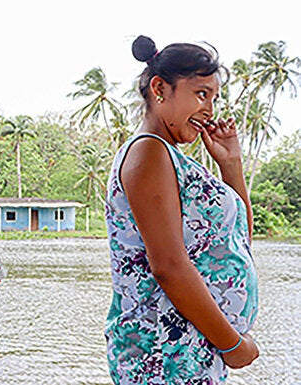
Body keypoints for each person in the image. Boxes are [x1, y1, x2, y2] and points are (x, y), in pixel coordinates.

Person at [104, 35, 259, 384]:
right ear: (160, 88)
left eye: (214, 98)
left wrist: (231, 164)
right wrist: (232, 344)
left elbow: (237, 242)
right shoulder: (149, 153)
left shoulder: (173, 159)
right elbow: (169, 267)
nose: (210, 109)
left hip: (189, 350)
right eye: (201, 93)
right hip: (162, 353)